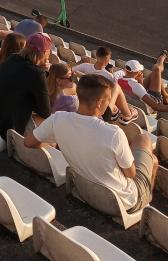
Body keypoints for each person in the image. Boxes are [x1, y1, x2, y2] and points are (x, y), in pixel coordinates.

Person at [25, 74, 157, 213]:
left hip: (84, 191)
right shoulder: (114, 133)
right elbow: (131, 174)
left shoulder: (57, 118)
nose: (109, 104)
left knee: (146, 157)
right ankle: (144, 205)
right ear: (99, 103)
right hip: (120, 203)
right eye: (108, 100)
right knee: (145, 141)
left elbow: (28, 142)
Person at [0, 32, 52, 136]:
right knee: (48, 122)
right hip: (0, 129)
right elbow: (45, 112)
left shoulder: (11, 58)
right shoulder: (37, 73)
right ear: (44, 52)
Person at [73, 47, 138, 124]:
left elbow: (69, 71)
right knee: (115, 88)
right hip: (101, 105)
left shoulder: (84, 66)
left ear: (96, 56)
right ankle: (125, 113)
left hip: (84, 97)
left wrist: (81, 70)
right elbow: (113, 96)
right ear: (108, 60)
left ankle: (115, 111)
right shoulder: (109, 76)